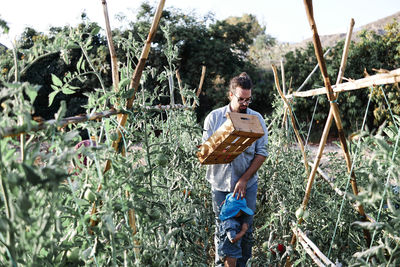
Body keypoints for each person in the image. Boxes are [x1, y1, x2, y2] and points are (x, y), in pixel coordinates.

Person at [202, 72, 268, 266]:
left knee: (246, 231)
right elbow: (204, 153)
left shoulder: (256, 119)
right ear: (230, 95)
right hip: (221, 186)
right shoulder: (214, 118)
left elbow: (262, 153)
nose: (245, 103)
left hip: (247, 186)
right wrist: (222, 142)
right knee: (223, 229)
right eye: (241, 99)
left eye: (249, 99)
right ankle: (219, 263)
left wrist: (244, 179)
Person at [218, 193, 254, 266]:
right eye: (240, 211)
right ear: (233, 210)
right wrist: (243, 231)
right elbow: (232, 239)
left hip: (232, 251)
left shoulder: (231, 220)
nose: (242, 213)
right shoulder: (230, 223)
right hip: (230, 253)